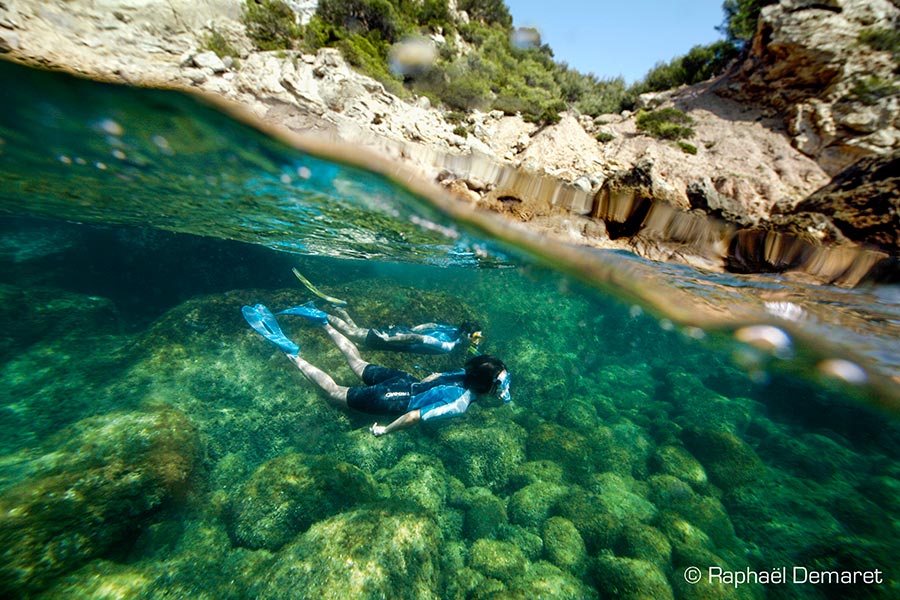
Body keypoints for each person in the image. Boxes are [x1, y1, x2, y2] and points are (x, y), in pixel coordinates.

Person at [242, 304, 510, 437]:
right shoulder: (459, 404)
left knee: (356, 362)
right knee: (334, 392)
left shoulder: (461, 374)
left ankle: (323, 321)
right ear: (486, 386)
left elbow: (433, 378)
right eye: (499, 386)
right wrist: (385, 430)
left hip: (405, 380)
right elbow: (414, 417)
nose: (502, 390)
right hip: (397, 398)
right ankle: (292, 353)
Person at [288, 267, 483, 355]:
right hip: (399, 338)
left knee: (358, 333)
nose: (476, 340)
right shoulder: (447, 345)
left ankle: (340, 309)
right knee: (353, 334)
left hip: (402, 332)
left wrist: (412, 329)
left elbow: (429, 326)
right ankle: (317, 312)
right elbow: (417, 339)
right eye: (475, 336)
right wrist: (391, 339)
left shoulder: (451, 330)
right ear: (466, 334)